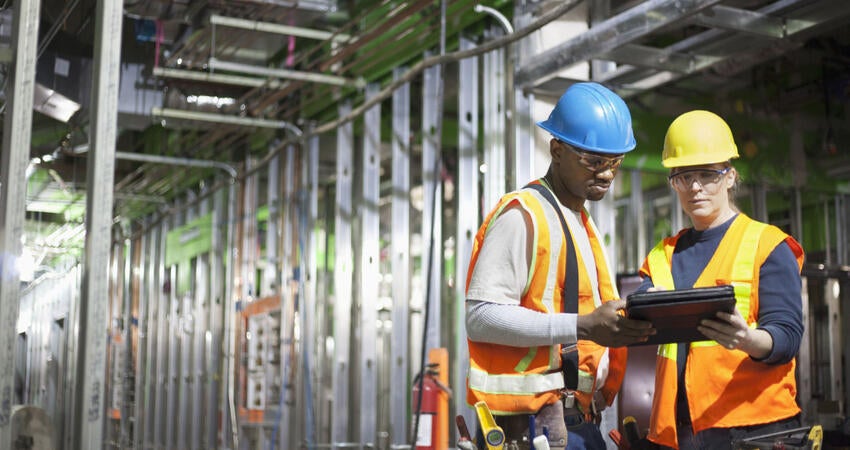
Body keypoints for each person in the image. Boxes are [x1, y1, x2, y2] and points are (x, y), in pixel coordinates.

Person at [465, 82, 655, 450]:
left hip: (578, 421)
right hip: (536, 427)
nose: (606, 174)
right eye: (594, 161)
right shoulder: (523, 214)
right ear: (557, 149)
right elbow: (481, 315)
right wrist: (583, 326)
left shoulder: (578, 219)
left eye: (615, 162)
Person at [635, 110, 805, 449]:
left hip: (753, 430)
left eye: (707, 174)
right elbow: (639, 319)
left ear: (729, 177)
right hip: (678, 432)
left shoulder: (766, 245)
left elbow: (786, 336)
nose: (695, 187)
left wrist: (747, 339)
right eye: (683, 176)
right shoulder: (662, 254)